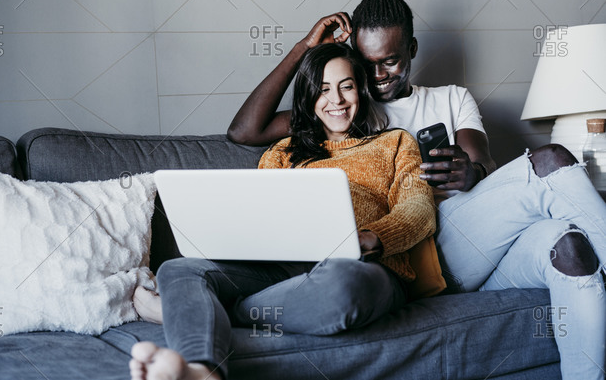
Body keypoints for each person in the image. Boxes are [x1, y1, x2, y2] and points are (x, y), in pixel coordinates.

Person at [227, 0, 606, 379]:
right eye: (367, 65)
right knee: (551, 159)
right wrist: (306, 48)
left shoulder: (450, 98)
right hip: (427, 251)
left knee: (571, 247)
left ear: (411, 48)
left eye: (390, 60)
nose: (379, 75)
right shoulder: (346, 108)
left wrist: (472, 171)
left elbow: (481, 159)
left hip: (480, 236)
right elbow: (245, 131)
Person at [129, 43, 440, 380]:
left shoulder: (395, 143)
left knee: (342, 286)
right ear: (308, 97)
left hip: (361, 270)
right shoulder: (282, 153)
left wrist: (372, 237)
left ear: (360, 90)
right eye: (322, 90)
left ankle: (206, 311)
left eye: (345, 86)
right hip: (282, 272)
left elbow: (419, 208)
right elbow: (261, 218)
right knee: (179, 270)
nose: (335, 100)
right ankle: (201, 370)